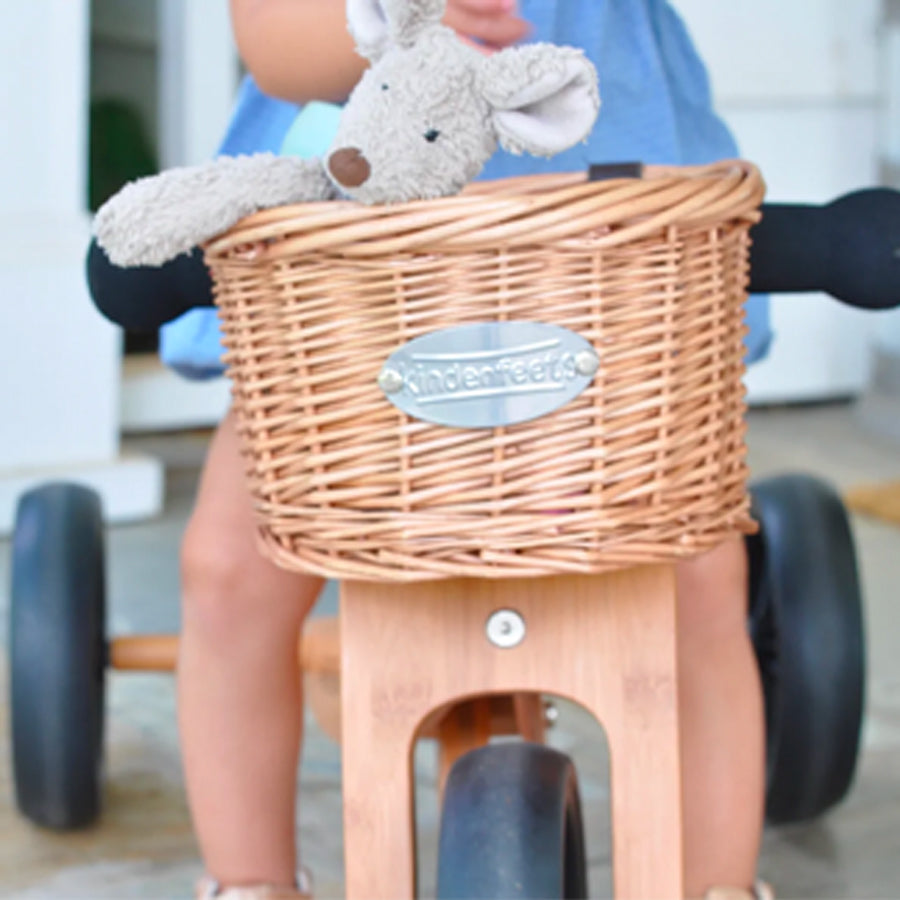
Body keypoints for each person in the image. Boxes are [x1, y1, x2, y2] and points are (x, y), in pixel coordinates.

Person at [88, 1, 773, 897]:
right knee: (229, 571)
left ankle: (714, 885)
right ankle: (249, 880)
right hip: (356, 298)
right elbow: (273, 44)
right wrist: (386, 19)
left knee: (698, 578)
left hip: (607, 269)